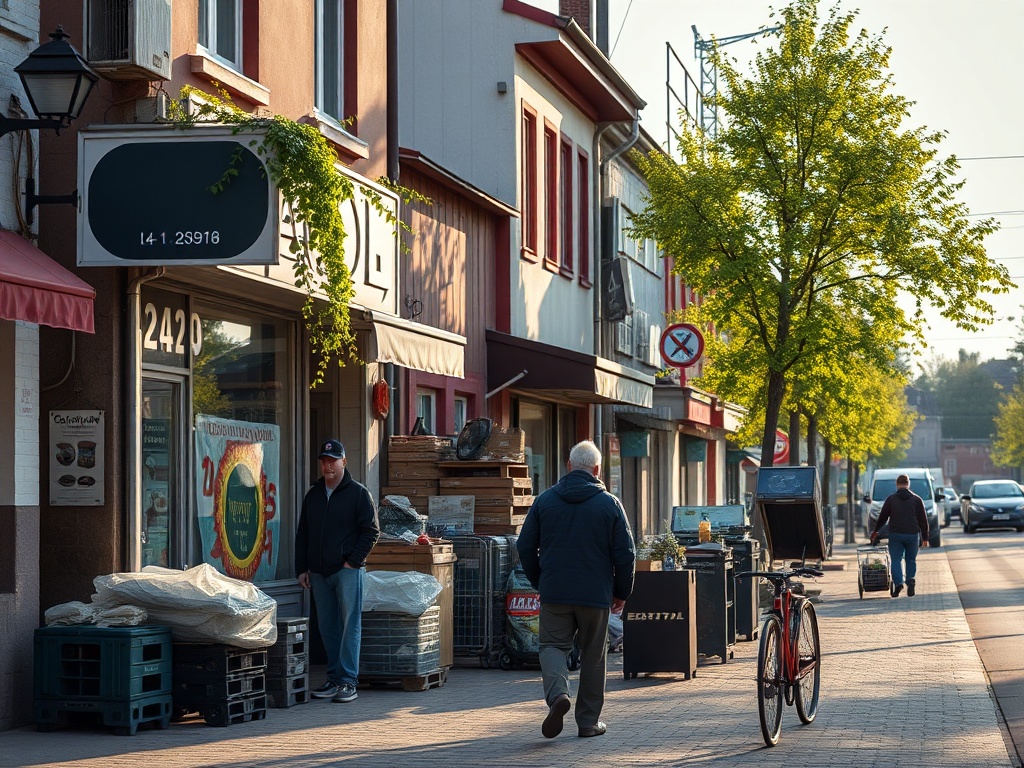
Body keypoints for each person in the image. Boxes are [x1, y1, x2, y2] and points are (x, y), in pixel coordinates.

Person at [516, 439, 636, 739]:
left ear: (569, 466)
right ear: (597, 469)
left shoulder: (545, 500)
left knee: (552, 647)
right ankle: (588, 722)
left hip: (555, 591)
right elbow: (626, 554)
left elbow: (525, 545)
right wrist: (622, 592)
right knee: (593, 655)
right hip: (595, 595)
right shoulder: (610, 504)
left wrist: (538, 580)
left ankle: (558, 695)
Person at [296, 438, 380, 703]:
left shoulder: (358, 493)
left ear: (344, 462)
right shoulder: (313, 495)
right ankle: (333, 678)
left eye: (332, 461)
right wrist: (302, 568)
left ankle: (347, 682)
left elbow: (371, 532)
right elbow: (303, 534)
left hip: (347, 572)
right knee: (328, 627)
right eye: (324, 461)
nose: (327, 466)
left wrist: (352, 562)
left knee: (348, 626)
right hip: (319, 573)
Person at [870, 473, 929, 597]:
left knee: (896, 560)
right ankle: (910, 579)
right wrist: (925, 537)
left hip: (896, 534)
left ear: (897, 484)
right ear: (908, 484)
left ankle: (898, 583)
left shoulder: (891, 499)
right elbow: (923, 520)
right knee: (911, 559)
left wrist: (875, 531)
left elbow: (883, 517)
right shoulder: (917, 499)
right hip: (913, 534)